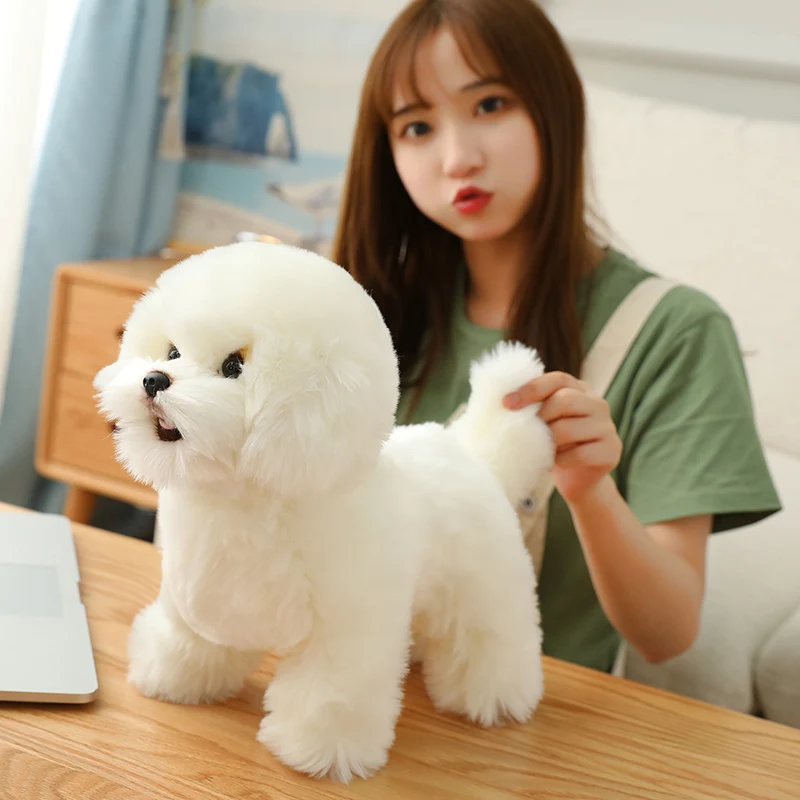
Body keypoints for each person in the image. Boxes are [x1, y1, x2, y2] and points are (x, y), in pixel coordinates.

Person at [330, 0, 781, 674]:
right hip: (346, 684)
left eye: (489, 105)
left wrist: (590, 488)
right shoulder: (367, 311)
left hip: (525, 715)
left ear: (555, 108)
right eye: (417, 126)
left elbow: (667, 631)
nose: (458, 158)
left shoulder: (672, 331)